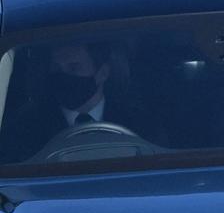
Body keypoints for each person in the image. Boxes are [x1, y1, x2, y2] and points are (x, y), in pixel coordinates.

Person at [0, 42, 153, 162]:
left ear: (103, 73)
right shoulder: (25, 127)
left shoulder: (139, 121)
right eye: (57, 69)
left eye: (74, 68)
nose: (63, 77)